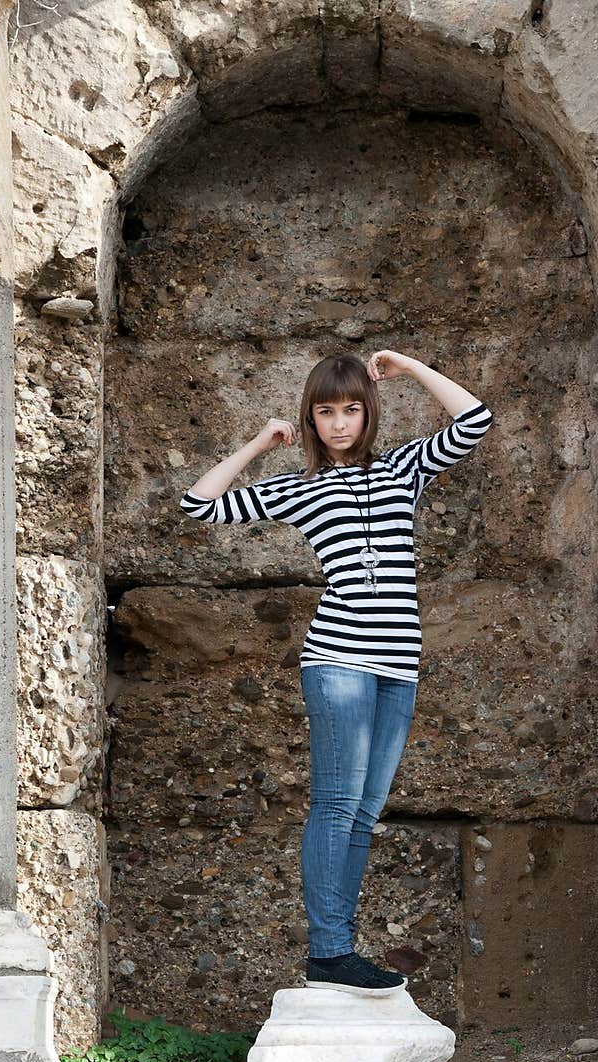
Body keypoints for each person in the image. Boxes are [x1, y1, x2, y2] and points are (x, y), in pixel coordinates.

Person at [179, 350, 494, 997]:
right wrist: (261, 443)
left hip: (398, 670)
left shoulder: (403, 470)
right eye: (326, 411)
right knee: (336, 804)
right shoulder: (301, 490)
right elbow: (199, 504)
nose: (340, 422)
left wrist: (408, 366)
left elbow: (475, 420)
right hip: (340, 663)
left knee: (363, 814)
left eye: (351, 409)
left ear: (368, 412)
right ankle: (329, 950)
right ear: (312, 419)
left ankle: (337, 952)